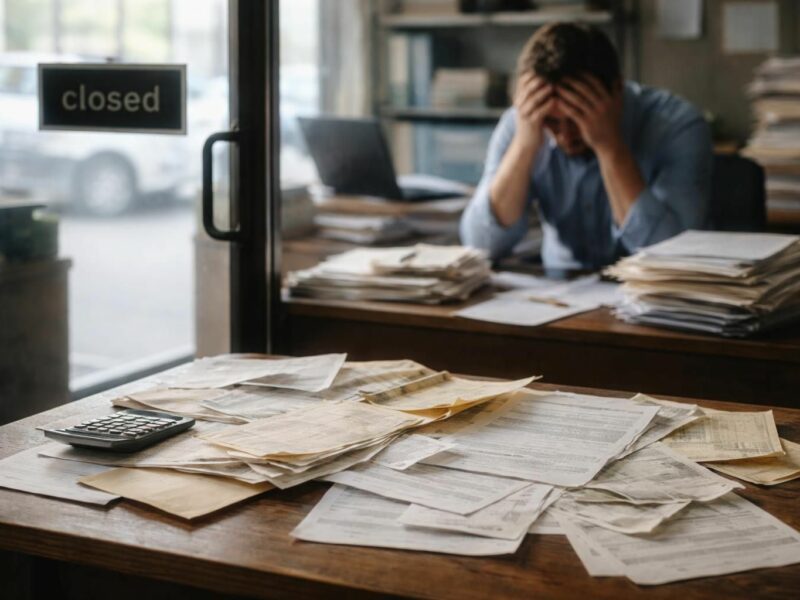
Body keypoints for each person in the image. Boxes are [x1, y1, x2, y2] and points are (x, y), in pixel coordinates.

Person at [460, 22, 712, 269]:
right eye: (552, 122)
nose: (564, 136)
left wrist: (610, 147)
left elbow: (671, 255)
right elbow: (480, 245)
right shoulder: (522, 122)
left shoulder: (678, 126)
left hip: (655, 296)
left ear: (617, 89)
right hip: (561, 289)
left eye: (578, 117)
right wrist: (524, 146)